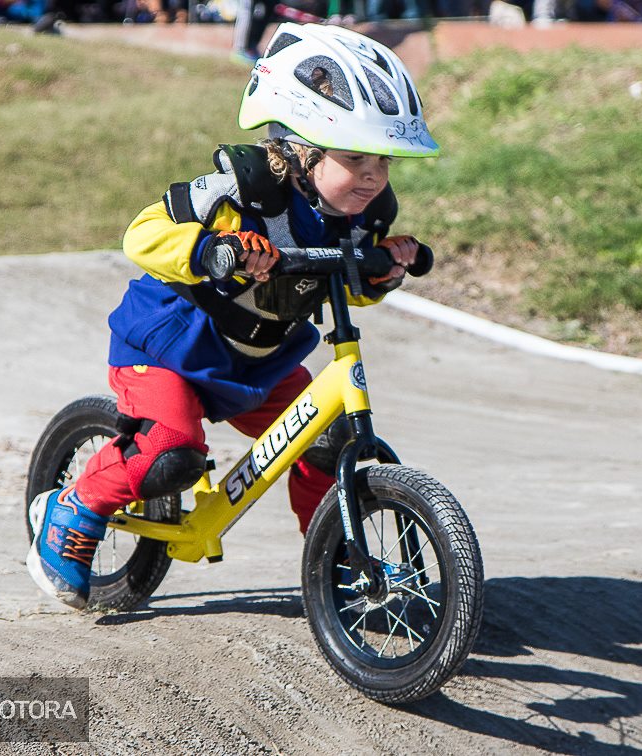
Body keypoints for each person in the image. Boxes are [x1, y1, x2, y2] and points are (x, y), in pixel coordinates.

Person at [26, 23, 440, 610]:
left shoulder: (363, 215)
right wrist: (208, 250)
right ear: (301, 149)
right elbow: (142, 234)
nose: (373, 175)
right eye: (355, 158)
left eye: (384, 160)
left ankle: (337, 557)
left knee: (330, 440)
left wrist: (380, 271)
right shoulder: (240, 193)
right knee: (170, 452)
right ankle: (74, 508)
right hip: (169, 348)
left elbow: (348, 286)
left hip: (257, 363)